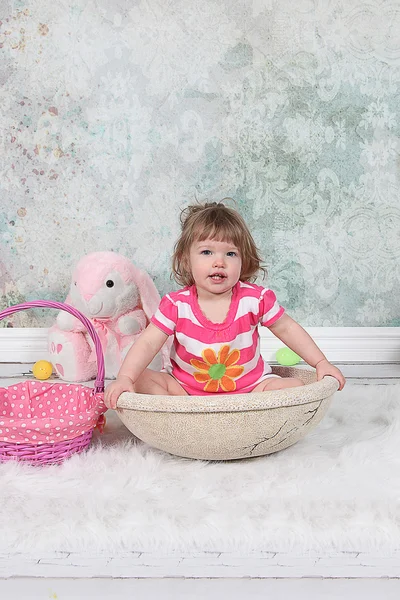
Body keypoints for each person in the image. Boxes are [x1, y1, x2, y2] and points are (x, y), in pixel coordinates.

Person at [105, 201, 345, 409]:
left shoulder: (255, 299)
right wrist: (125, 376)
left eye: (230, 254)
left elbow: (287, 328)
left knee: (294, 386)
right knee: (140, 380)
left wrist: (320, 362)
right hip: (185, 393)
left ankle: (244, 412)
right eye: (207, 252)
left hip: (251, 390)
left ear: (244, 260)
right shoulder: (176, 305)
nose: (219, 262)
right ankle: (184, 412)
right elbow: (148, 343)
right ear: (185, 260)